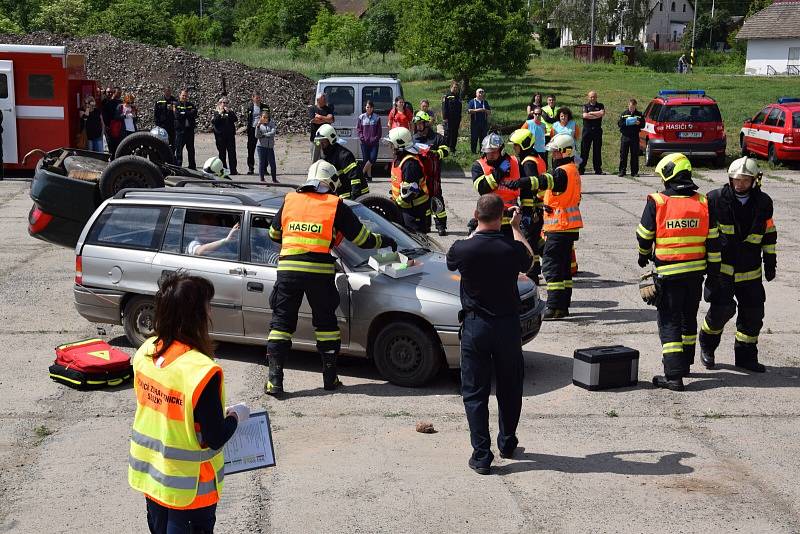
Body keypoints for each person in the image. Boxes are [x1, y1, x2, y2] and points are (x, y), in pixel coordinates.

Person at [128, 272, 249, 534]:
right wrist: (236, 417)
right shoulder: (201, 370)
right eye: (207, 305)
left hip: (154, 480)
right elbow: (215, 437)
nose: (210, 311)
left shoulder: (146, 352)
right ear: (197, 315)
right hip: (191, 490)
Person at [265, 161, 397, 395]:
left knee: (281, 325)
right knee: (326, 325)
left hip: (288, 271)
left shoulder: (290, 200)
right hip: (319, 272)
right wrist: (385, 241)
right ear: (333, 182)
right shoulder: (335, 204)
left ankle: (275, 381)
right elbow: (362, 240)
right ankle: (330, 379)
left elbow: (274, 233)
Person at [446, 194, 534, 475]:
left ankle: (482, 455)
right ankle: (507, 443)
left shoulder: (463, 249)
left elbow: (452, 259)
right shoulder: (511, 248)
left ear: (476, 214)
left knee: (475, 391)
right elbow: (529, 259)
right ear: (502, 217)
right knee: (510, 387)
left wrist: (474, 231)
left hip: (476, 327)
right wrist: (517, 227)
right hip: (507, 326)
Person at [636, 153, 720, 391]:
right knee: (687, 320)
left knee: (669, 322)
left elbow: (644, 235)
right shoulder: (703, 202)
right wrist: (713, 274)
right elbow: (713, 242)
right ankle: (684, 365)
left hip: (669, 275)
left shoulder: (658, 201)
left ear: (669, 176)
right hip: (695, 275)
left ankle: (673, 376)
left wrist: (643, 255)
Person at [699, 157, 776, 373]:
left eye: (744, 180)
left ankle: (745, 358)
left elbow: (769, 233)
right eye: (736, 180)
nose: (740, 184)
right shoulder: (714, 199)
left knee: (752, 316)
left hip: (751, 271)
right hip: (722, 271)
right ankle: (707, 346)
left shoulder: (764, 203)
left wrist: (770, 262)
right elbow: (705, 235)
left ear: (755, 180)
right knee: (721, 311)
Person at [537, 134, 583, 320]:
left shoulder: (561, 172)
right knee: (564, 268)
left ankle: (553, 306)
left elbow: (541, 182)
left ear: (566, 151)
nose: (553, 154)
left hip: (559, 226)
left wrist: (520, 183)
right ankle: (562, 307)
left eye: (556, 151)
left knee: (551, 266)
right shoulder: (573, 169)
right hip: (568, 227)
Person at [470, 132, 532, 237]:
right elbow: (482, 188)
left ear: (502, 150)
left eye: (494, 152)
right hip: (489, 218)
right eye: (488, 152)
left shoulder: (515, 162)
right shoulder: (478, 165)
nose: (490, 155)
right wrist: (499, 172)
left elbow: (526, 188)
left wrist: (527, 211)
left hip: (512, 217)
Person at [508, 128, 548, 280]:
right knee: (536, 239)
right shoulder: (537, 157)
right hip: (537, 207)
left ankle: (532, 273)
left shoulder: (528, 162)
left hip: (531, 208)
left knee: (529, 240)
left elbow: (533, 182)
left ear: (524, 145)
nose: (514, 148)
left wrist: (517, 183)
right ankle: (552, 259)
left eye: (516, 145)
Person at [413, 111, 450, 236]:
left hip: (433, 175)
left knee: (436, 199)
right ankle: (426, 225)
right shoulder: (414, 138)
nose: (418, 126)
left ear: (426, 124)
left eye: (420, 124)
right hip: (420, 176)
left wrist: (435, 153)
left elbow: (446, 150)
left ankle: (441, 226)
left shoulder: (437, 138)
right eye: (416, 124)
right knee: (423, 201)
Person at [387, 126, 430, 233]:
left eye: (392, 144)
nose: (390, 147)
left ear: (399, 144)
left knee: (415, 241)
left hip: (413, 210)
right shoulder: (399, 159)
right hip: (404, 208)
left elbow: (410, 192)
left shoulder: (410, 164)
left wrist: (395, 204)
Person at [315, 124, 368, 200]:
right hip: (342, 193)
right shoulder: (326, 155)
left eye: (323, 142)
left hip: (356, 194)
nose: (321, 144)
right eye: (320, 142)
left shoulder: (344, 155)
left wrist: (355, 199)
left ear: (331, 140)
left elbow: (355, 178)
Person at [580, 91, 605, 175]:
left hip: (597, 130)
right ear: (588, 97)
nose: (593, 98)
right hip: (587, 130)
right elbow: (585, 116)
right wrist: (596, 115)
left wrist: (591, 113)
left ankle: (598, 169)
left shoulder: (600, 105)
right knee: (584, 150)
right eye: (591, 97)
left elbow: (602, 113)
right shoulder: (585, 106)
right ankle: (581, 168)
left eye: (594, 97)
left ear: (596, 97)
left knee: (597, 150)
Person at [211, 97, 238, 175]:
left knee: (232, 153)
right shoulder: (216, 112)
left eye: (226, 103)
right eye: (223, 102)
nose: (224, 104)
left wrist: (229, 112)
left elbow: (235, 119)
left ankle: (233, 170)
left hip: (230, 136)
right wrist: (220, 113)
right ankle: (224, 170)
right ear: (219, 103)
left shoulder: (230, 111)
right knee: (222, 154)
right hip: (220, 136)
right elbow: (214, 121)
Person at [357, 100, 381, 182]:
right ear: (365, 108)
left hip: (374, 143)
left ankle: (362, 174)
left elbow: (379, 132)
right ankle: (369, 176)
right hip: (364, 143)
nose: (369, 109)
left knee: (373, 159)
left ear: (373, 108)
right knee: (366, 160)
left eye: (370, 107)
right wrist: (362, 137)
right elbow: (359, 129)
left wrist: (375, 138)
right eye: (367, 107)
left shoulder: (377, 117)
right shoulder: (361, 117)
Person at [618, 98, 643, 177]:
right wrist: (627, 122)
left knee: (634, 155)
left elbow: (643, 125)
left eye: (633, 107)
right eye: (630, 106)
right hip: (625, 136)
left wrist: (639, 123)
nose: (631, 108)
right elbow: (619, 124)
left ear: (635, 106)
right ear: (628, 105)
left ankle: (634, 172)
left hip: (634, 137)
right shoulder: (624, 114)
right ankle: (622, 171)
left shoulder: (639, 114)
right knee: (623, 154)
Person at [175, 88, 198, 169]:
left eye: (186, 95)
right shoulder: (176, 104)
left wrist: (184, 112)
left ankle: (192, 166)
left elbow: (194, 114)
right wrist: (188, 113)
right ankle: (178, 166)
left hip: (189, 131)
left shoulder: (191, 104)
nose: (184, 97)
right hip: (180, 131)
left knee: (191, 149)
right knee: (179, 149)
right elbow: (177, 116)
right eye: (183, 95)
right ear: (180, 95)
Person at [309, 93, 334, 162]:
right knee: (315, 160)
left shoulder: (328, 109)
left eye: (325, 99)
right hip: (315, 139)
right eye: (323, 99)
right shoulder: (312, 109)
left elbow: (331, 119)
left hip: (326, 140)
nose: (325, 101)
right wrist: (326, 120)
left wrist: (320, 117)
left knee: (326, 159)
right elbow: (314, 121)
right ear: (318, 100)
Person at [256, 110, 278, 183]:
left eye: (267, 117)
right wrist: (258, 126)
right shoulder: (259, 125)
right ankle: (262, 179)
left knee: (272, 164)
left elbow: (273, 132)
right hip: (261, 147)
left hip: (270, 147)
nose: (265, 119)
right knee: (262, 163)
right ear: (261, 117)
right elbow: (257, 135)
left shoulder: (271, 123)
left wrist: (265, 135)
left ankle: (274, 179)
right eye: (264, 117)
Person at [245, 92, 264, 175]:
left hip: (262, 129)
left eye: (259, 97)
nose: (258, 99)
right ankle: (251, 168)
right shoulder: (249, 107)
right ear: (253, 98)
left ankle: (264, 168)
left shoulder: (264, 107)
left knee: (263, 149)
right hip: (252, 130)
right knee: (251, 149)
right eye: (256, 98)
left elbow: (268, 117)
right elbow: (248, 119)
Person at [441, 80, 462, 153]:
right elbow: (444, 107)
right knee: (448, 133)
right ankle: (446, 148)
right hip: (448, 119)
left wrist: (460, 118)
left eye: (457, 88)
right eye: (454, 87)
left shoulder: (458, 97)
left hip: (456, 119)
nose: (455, 89)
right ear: (451, 87)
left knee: (455, 133)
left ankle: (453, 148)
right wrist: (444, 118)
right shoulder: (447, 96)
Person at [468, 88, 491, 154]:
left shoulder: (485, 102)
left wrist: (485, 110)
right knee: (474, 138)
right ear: (476, 94)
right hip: (475, 123)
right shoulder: (472, 101)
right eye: (479, 92)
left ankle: (482, 151)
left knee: (483, 138)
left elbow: (489, 112)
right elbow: (469, 111)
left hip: (484, 123)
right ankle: (473, 152)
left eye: (482, 92)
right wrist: (477, 110)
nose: (481, 94)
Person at [103, 87, 123, 157]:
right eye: (119, 93)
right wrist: (106, 125)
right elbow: (105, 115)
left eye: (121, 93)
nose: (120, 94)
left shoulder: (121, 102)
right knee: (111, 144)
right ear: (114, 93)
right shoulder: (108, 103)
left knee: (119, 143)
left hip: (119, 127)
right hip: (111, 127)